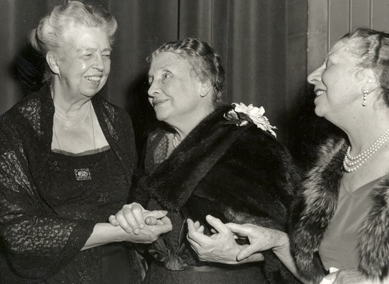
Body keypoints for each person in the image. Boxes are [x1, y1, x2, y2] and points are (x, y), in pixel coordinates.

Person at [188, 28, 389, 284]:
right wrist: (276, 242)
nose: (312, 76)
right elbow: (321, 278)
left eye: (329, 64)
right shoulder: (330, 169)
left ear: (368, 80)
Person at [0, 2, 171, 283]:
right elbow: (20, 235)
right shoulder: (15, 130)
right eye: (87, 54)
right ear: (55, 61)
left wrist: (137, 211)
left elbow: (134, 196)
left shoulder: (117, 122)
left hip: (116, 273)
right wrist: (120, 231)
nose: (100, 66)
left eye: (105, 54)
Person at [109, 38, 300, 283]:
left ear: (204, 84)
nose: (151, 90)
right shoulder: (156, 143)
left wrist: (243, 254)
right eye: (150, 80)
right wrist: (133, 214)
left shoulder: (249, 143)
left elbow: (291, 241)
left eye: (166, 76)